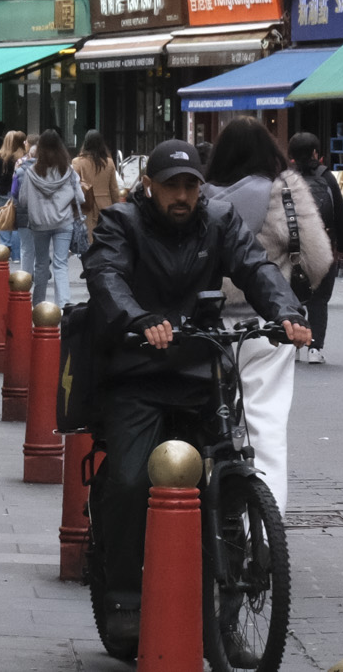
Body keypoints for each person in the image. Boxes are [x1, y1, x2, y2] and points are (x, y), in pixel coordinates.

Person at [84, 139, 312, 653]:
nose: (182, 195)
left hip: (200, 370)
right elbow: (106, 278)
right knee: (126, 479)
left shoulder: (219, 218)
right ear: (150, 186)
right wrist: (140, 320)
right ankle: (123, 596)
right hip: (138, 373)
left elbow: (255, 267)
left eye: (191, 185)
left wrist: (287, 313)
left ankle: (224, 622)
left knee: (229, 484)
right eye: (171, 186)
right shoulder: (123, 222)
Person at [205, 118, 334, 514]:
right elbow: (319, 258)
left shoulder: (198, 196)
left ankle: (208, 523)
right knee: (267, 428)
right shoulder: (284, 192)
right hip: (268, 327)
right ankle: (264, 531)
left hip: (205, 327)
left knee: (204, 425)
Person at [290, 130, 343, 361]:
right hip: (323, 247)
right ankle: (315, 348)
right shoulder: (327, 178)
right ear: (316, 153)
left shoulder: (284, 179)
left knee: (292, 296)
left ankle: (293, 345)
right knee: (319, 299)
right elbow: (340, 216)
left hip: (292, 249)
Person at [16, 129, 86, 306]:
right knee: (61, 264)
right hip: (64, 222)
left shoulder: (31, 172)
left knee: (40, 264)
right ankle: (63, 305)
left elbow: (22, 200)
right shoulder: (68, 172)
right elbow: (81, 198)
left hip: (39, 224)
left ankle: (38, 304)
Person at [72, 130, 123, 230]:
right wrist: (117, 208)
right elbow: (114, 190)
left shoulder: (77, 162)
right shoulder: (109, 163)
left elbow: (74, 187)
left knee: (87, 240)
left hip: (86, 206)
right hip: (105, 206)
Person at [0, 130, 29, 259]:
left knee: (4, 220)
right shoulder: (22, 158)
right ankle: (17, 255)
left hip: (2, 192)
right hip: (17, 192)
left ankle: (4, 249)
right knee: (16, 224)